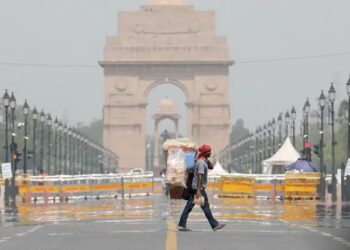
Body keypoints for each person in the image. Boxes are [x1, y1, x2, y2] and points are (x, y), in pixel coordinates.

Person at [178, 144, 226, 232]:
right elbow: (200, 177)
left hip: (195, 187)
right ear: (204, 153)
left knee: (189, 206)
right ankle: (215, 225)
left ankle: (181, 224)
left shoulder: (203, 161)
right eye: (208, 152)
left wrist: (206, 159)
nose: (210, 153)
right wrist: (198, 191)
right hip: (197, 188)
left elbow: (211, 167)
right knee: (205, 206)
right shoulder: (201, 163)